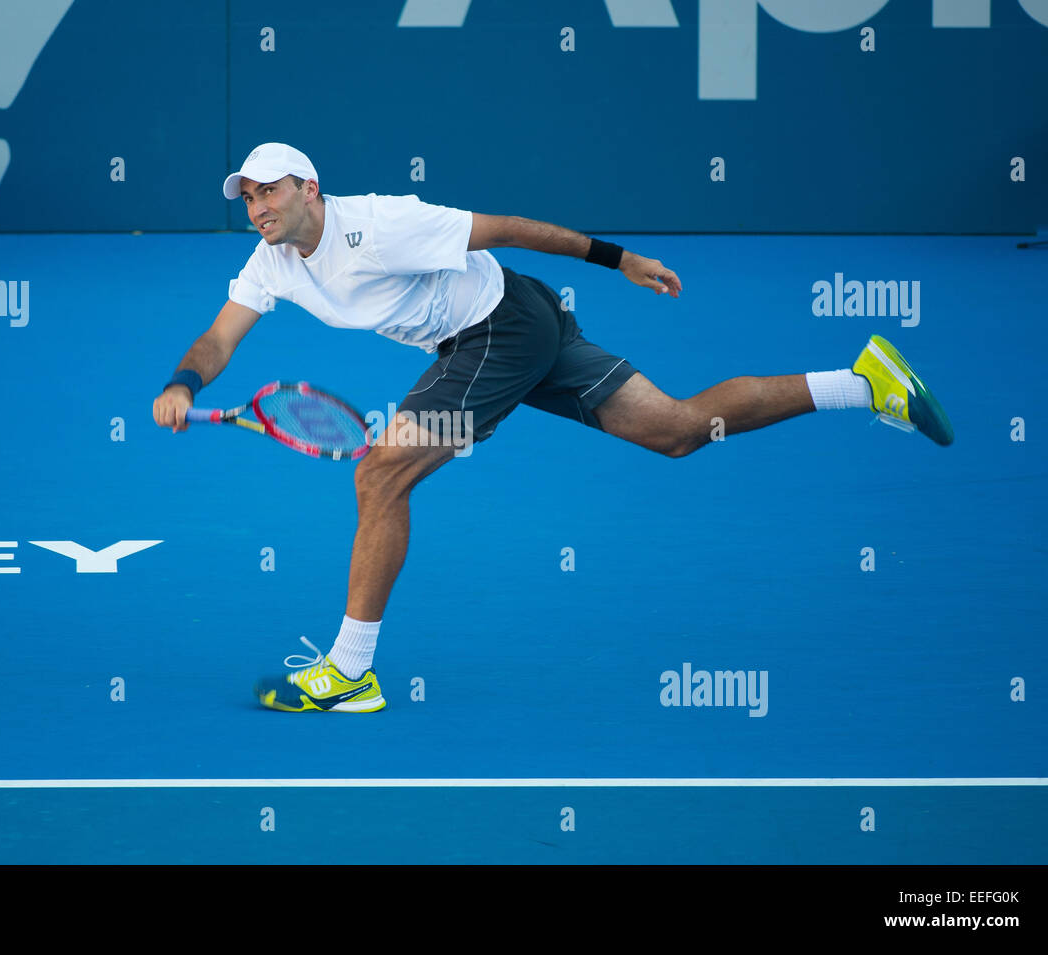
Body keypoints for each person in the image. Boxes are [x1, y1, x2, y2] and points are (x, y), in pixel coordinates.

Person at [152, 143, 953, 714]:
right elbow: (219, 337)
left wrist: (620, 259)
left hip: (497, 326)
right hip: (516, 318)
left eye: (270, 192)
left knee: (378, 473)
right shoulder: (271, 262)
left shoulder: (381, 224)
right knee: (676, 429)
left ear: (310, 189)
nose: (257, 208)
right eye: (248, 198)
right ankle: (864, 382)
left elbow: (504, 227)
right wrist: (184, 382)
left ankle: (352, 670)